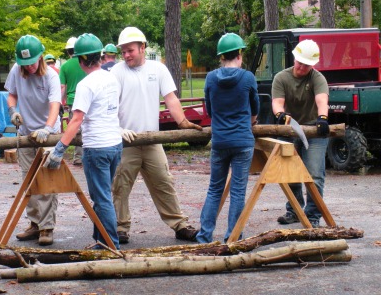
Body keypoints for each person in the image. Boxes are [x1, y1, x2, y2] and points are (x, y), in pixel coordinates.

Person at [111, 26, 203, 244]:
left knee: (164, 182)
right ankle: (120, 227)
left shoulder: (158, 69)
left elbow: (170, 98)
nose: (126, 55)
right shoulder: (117, 72)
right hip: (127, 142)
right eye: (123, 51)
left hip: (152, 140)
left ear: (143, 47)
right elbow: (110, 104)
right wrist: (118, 129)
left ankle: (179, 225)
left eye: (130, 50)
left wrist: (182, 122)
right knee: (120, 185)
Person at [44, 33, 122, 249]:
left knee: (102, 198)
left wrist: (60, 149)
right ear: (99, 56)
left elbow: (76, 119)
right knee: (103, 195)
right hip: (115, 144)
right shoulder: (112, 78)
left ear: (81, 60)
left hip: (97, 146)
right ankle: (101, 240)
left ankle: (110, 245)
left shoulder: (86, 85)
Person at [196, 33, 259, 243]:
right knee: (238, 192)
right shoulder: (248, 77)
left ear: (221, 57)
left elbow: (210, 109)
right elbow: (255, 109)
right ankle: (233, 238)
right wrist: (248, 123)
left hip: (220, 140)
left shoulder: (210, 78)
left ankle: (204, 235)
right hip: (242, 141)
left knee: (214, 189)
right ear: (239, 55)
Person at [4, 34, 61, 246]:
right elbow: (12, 95)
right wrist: (13, 111)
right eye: (24, 64)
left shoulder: (51, 76)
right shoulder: (16, 70)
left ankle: (47, 227)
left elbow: (55, 104)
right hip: (26, 134)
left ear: (41, 57)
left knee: (46, 181)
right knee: (29, 181)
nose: (28, 67)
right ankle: (35, 224)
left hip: (48, 134)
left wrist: (48, 128)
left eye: (31, 62)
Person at [272, 39, 330, 228]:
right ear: (295, 58)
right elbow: (277, 102)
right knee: (289, 174)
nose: (302, 67)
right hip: (290, 130)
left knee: (314, 174)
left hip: (314, 131)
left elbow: (322, 100)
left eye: (307, 64)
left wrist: (322, 118)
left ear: (312, 64)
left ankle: (312, 215)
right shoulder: (281, 77)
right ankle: (295, 210)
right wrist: (280, 114)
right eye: (300, 62)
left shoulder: (317, 78)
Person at [59, 36, 86, 165]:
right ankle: (88, 155)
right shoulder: (86, 63)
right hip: (87, 99)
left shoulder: (65, 67)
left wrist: (61, 103)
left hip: (72, 101)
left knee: (76, 129)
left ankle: (78, 157)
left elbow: (62, 87)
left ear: (68, 51)